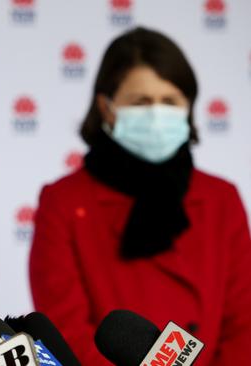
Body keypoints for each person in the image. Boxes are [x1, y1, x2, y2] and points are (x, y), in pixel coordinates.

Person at [29, 27, 251, 365]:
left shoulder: (221, 198)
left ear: (188, 108)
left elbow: (244, 325)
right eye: (141, 102)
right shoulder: (63, 202)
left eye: (170, 101)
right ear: (106, 107)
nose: (157, 114)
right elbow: (66, 332)